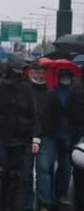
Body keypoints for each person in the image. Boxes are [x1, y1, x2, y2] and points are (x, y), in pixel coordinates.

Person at [0, 57, 40, 211]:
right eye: (17, 69)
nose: (20, 72)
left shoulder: (26, 89)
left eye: (22, 69)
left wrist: (35, 138)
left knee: (15, 174)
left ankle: (11, 206)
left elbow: (33, 114)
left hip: (19, 137)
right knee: (0, 171)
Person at [22, 63, 68, 211]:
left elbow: (59, 116)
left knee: (44, 171)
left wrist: (52, 131)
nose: (39, 75)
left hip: (47, 137)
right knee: (26, 172)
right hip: (26, 137)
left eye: (42, 73)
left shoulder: (51, 93)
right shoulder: (24, 90)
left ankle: (44, 203)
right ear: (30, 73)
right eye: (36, 72)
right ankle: (27, 204)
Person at [67, 67, 84, 210]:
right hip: (78, 136)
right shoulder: (76, 90)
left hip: (77, 137)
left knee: (79, 170)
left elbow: (68, 113)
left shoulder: (74, 89)